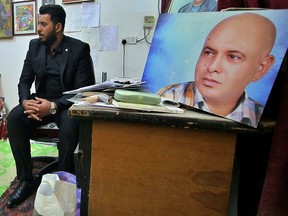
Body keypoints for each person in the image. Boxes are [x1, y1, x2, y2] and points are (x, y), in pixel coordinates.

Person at [6, 4, 95, 208]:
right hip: (40, 102)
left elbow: (84, 90)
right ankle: (26, 179)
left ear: (58, 27)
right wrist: (25, 101)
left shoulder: (79, 49)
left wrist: (54, 106)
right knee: (14, 119)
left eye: (43, 24)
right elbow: (24, 80)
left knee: (71, 124)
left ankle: (61, 179)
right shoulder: (34, 46)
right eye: (38, 23)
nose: (38, 28)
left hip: (66, 105)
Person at [158, 13, 276, 127]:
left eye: (233, 57)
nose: (212, 67)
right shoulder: (170, 96)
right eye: (208, 53)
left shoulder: (259, 115)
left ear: (261, 68)